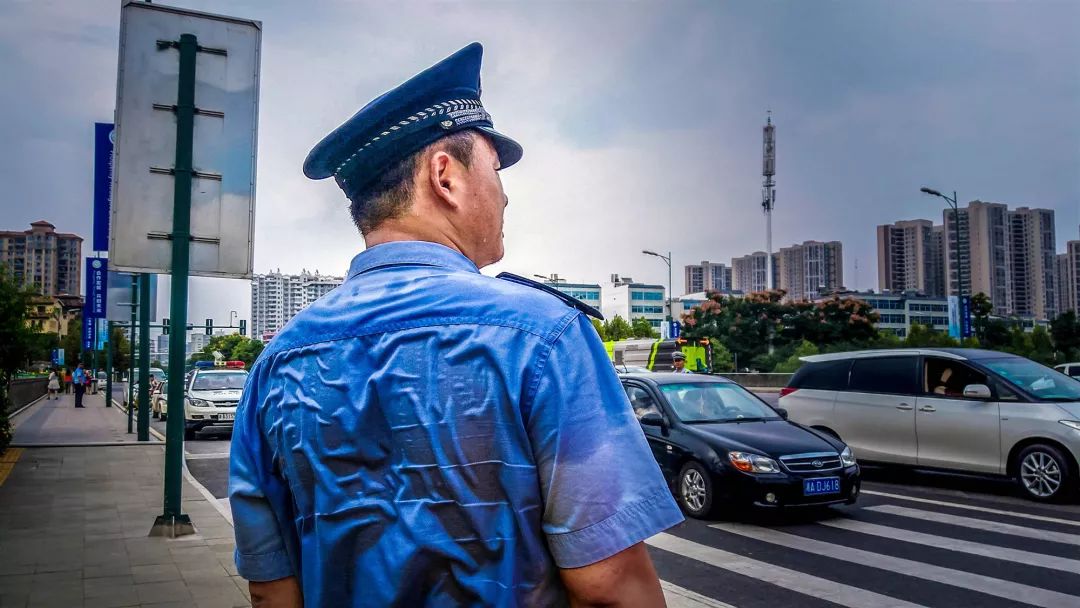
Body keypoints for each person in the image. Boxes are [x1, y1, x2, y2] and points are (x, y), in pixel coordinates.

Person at [229, 43, 682, 608]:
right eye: (494, 170)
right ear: (445, 175)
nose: (505, 195)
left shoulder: (278, 361)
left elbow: (272, 590)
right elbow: (610, 587)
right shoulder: (542, 336)